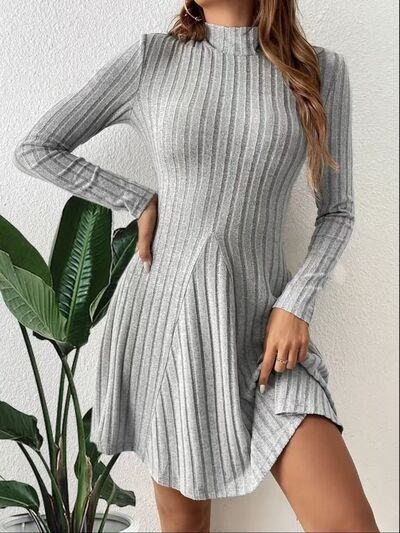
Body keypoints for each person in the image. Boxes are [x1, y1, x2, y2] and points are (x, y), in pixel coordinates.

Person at [13, 0, 380, 531]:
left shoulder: (321, 71)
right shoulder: (154, 59)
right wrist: (136, 198)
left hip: (267, 335)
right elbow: (37, 147)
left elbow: (338, 212)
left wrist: (297, 302)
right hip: (169, 326)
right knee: (187, 526)